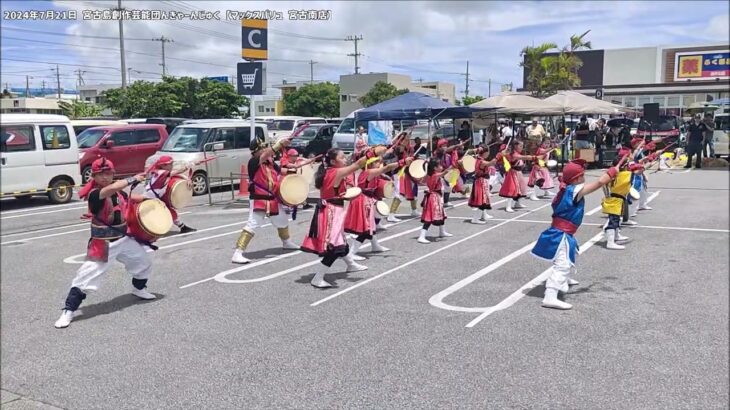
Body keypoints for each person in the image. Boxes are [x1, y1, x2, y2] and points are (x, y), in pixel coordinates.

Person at [55, 158, 152, 328]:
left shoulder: (118, 192)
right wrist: (133, 178)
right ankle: (68, 310)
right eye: (100, 175)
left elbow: (131, 196)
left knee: (143, 262)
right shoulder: (95, 194)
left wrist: (150, 200)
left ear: (113, 174)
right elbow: (113, 188)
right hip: (103, 243)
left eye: (107, 173)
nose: (104, 177)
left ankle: (139, 288)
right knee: (85, 278)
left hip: (124, 239)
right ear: (93, 176)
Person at [531, 159, 620, 310]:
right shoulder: (573, 190)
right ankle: (550, 296)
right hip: (561, 233)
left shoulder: (567, 190)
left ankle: (564, 279)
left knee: (570, 254)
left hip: (563, 232)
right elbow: (599, 183)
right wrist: (611, 173)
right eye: (582, 174)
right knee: (563, 263)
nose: (584, 177)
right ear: (576, 178)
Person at [302, 149, 369, 288]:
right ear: (333, 161)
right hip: (331, 212)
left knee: (341, 243)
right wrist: (371, 154)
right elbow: (357, 165)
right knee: (334, 246)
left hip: (333, 210)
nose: (345, 160)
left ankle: (351, 264)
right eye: (342, 157)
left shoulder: (329, 172)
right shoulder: (336, 172)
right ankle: (318, 277)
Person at [231, 137, 299, 264]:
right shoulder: (254, 162)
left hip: (272, 198)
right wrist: (279, 144)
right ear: (256, 151)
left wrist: (293, 169)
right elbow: (268, 153)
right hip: (259, 199)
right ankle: (238, 253)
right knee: (253, 224)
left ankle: (286, 242)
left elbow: (281, 170)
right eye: (262, 148)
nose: (265, 150)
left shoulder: (270, 162)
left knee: (282, 220)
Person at [344, 153, 401, 260]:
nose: (379, 163)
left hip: (366, 199)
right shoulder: (369, 172)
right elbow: (387, 167)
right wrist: (402, 162)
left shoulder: (371, 173)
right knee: (366, 228)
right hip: (363, 201)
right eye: (377, 162)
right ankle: (352, 253)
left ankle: (375, 245)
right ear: (370, 164)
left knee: (371, 224)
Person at [144, 155, 196, 233]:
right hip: (150, 199)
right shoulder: (161, 172)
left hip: (155, 198)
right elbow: (177, 172)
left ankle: (183, 227)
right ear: (163, 165)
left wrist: (187, 179)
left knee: (171, 212)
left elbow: (175, 175)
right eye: (170, 164)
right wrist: (189, 165)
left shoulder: (161, 171)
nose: (172, 165)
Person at [418, 159, 452, 243]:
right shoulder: (434, 175)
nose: (441, 166)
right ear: (434, 168)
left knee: (441, 214)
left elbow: (422, 181)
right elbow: (444, 172)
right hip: (433, 198)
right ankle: (421, 236)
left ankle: (442, 231)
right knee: (430, 217)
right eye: (439, 165)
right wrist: (452, 166)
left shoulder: (430, 175)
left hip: (436, 196)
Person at [389, 133, 421, 221]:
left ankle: (414, 210)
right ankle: (391, 215)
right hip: (399, 172)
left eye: (409, 139)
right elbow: (400, 150)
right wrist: (405, 139)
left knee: (414, 191)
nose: (408, 140)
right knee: (399, 193)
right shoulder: (397, 148)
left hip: (408, 172)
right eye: (406, 139)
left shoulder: (409, 148)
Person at [499, 141, 537, 212]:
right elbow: (524, 157)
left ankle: (518, 203)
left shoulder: (516, 153)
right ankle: (508, 206)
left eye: (522, 146)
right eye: (520, 146)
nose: (522, 148)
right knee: (512, 189)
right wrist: (534, 157)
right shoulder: (514, 154)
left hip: (519, 173)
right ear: (515, 146)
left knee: (521, 188)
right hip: (513, 173)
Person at [467, 145, 497, 224]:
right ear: (485, 152)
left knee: (483, 199)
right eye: (488, 151)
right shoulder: (481, 161)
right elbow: (491, 163)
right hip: (481, 182)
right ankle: (475, 219)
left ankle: (484, 215)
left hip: (481, 181)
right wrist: (499, 155)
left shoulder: (478, 159)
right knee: (482, 200)